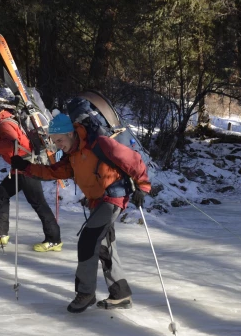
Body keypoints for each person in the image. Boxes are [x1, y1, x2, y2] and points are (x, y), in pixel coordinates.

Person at [11, 112, 151, 313]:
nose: (58, 144)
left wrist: (142, 187)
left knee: (88, 240)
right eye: (54, 141)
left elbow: (133, 159)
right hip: (97, 201)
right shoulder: (73, 154)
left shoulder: (100, 144)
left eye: (60, 140)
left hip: (113, 196)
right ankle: (120, 293)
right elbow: (55, 172)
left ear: (71, 134)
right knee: (103, 245)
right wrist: (27, 167)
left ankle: (86, 293)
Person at [0, 98, 62, 252]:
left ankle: (54, 239)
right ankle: (0, 233)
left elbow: (11, 144)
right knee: (2, 193)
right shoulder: (3, 121)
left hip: (27, 167)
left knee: (38, 203)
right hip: (20, 167)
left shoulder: (4, 124)